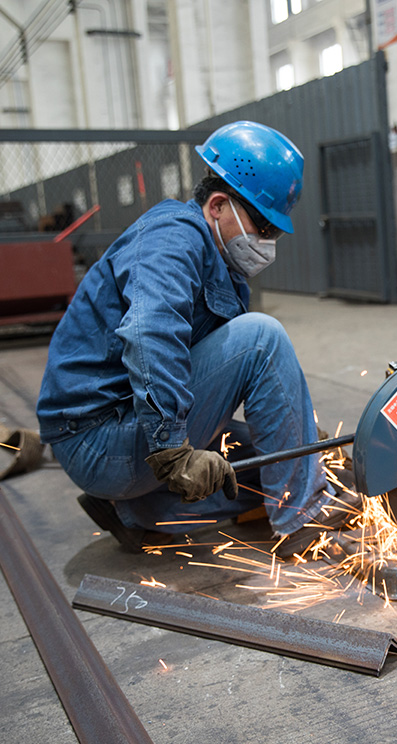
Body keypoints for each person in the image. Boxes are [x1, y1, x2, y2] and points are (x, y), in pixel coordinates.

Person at [36, 120, 357, 557]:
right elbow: (150, 332)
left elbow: (220, 375)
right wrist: (171, 449)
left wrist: (295, 435)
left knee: (282, 465)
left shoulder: (224, 266)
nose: (266, 241)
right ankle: (303, 522)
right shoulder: (173, 237)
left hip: (124, 436)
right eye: (262, 226)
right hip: (99, 437)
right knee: (262, 337)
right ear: (219, 205)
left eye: (273, 232)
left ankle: (135, 512)